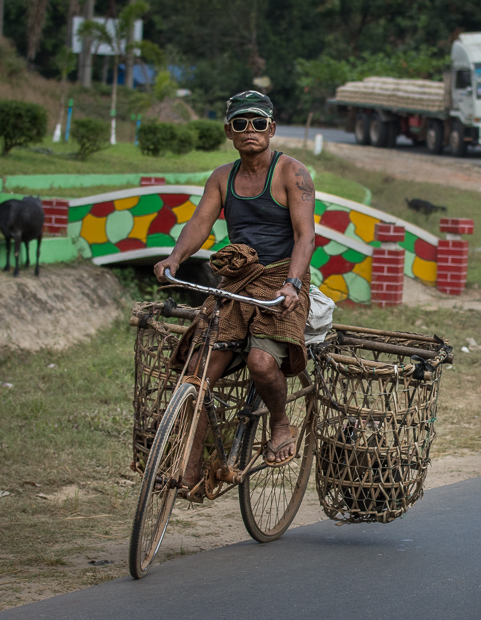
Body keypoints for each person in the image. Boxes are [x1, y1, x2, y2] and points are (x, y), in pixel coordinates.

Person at [154, 90, 316, 497]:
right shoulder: (221, 177)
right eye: (240, 123)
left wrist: (293, 284)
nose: (250, 131)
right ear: (229, 131)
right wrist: (174, 258)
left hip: (281, 282)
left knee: (262, 363)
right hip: (236, 284)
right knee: (197, 372)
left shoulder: (292, 173)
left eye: (258, 123)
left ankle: (280, 423)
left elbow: (306, 236)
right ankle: (187, 467)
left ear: (272, 129)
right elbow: (199, 224)